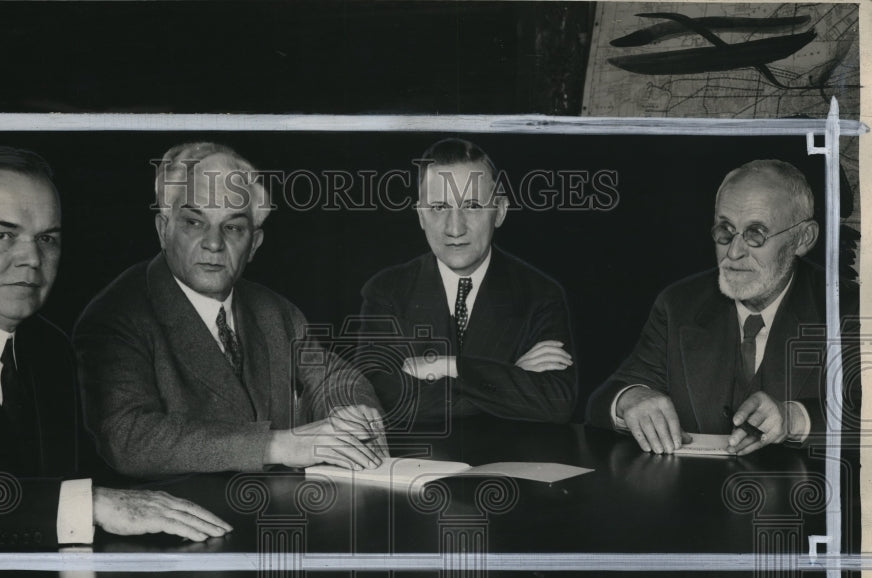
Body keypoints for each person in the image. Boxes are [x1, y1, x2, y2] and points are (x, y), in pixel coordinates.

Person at [0, 146, 231, 549]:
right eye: (3, 235)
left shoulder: (47, 346)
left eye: (47, 238)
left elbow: (100, 472)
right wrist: (89, 504)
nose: (32, 258)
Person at [73, 142, 385, 476]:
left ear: (254, 244)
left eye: (233, 227)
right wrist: (275, 445)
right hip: (178, 518)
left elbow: (332, 378)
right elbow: (129, 436)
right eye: (194, 222)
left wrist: (352, 414)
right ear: (163, 230)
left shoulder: (275, 311)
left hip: (276, 514)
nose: (213, 243)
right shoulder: (117, 314)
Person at [587, 159, 858, 455]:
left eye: (756, 233)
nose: (733, 251)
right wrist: (631, 398)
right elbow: (604, 400)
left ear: (803, 239)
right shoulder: (679, 304)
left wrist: (795, 418)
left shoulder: (849, 308)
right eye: (725, 230)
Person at [358, 138, 577, 426]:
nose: (454, 227)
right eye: (438, 207)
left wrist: (449, 366)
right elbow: (383, 398)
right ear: (421, 216)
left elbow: (556, 402)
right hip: (421, 466)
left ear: (499, 211)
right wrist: (508, 376)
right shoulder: (387, 290)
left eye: (472, 206)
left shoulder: (540, 294)